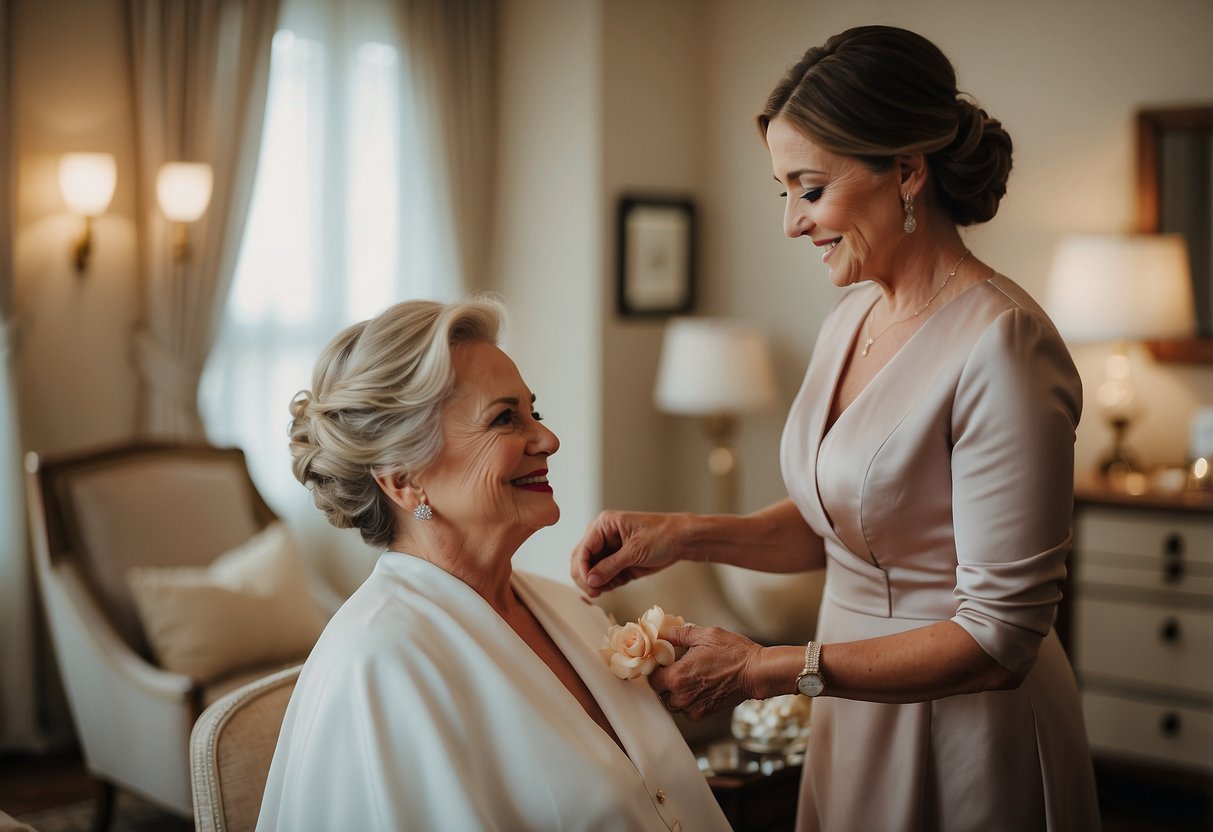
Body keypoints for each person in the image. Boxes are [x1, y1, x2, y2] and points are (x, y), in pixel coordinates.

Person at [571, 25, 1100, 832]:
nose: (790, 222)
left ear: (907, 171)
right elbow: (848, 529)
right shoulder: (849, 315)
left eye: (809, 190)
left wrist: (764, 669)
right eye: (780, 190)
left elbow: (999, 643)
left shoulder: (1005, 344)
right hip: (849, 705)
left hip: (960, 727)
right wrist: (680, 534)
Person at [258, 298, 730, 832]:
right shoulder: (380, 664)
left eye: (536, 412)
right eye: (505, 419)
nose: (548, 440)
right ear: (404, 478)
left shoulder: (568, 608)